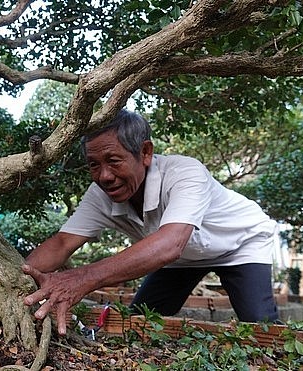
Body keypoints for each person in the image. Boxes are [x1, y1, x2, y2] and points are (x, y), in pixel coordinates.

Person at [22, 109, 279, 336]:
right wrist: (15, 277)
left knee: (261, 328)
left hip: (240, 245)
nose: (105, 176)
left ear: (145, 152)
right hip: (180, 259)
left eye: (113, 160)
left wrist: (81, 279)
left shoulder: (185, 173)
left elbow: (170, 244)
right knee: (139, 324)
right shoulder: (99, 194)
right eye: (93, 165)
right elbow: (63, 243)